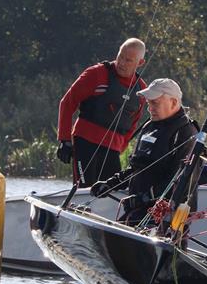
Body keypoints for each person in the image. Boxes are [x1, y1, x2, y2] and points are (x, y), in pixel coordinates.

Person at [90, 78, 198, 226]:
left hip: (166, 217)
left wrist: (144, 198)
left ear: (173, 102)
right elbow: (137, 167)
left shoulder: (187, 133)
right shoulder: (150, 126)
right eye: (148, 103)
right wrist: (111, 184)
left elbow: (178, 180)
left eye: (155, 103)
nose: (149, 108)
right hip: (138, 210)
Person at [57, 38, 147, 186]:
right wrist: (64, 139)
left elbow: (132, 124)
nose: (122, 63)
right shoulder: (96, 74)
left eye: (128, 60)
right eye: (120, 56)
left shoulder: (141, 90)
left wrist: (120, 147)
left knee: (110, 191)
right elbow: (67, 103)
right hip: (84, 142)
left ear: (140, 63)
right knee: (84, 188)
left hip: (112, 150)